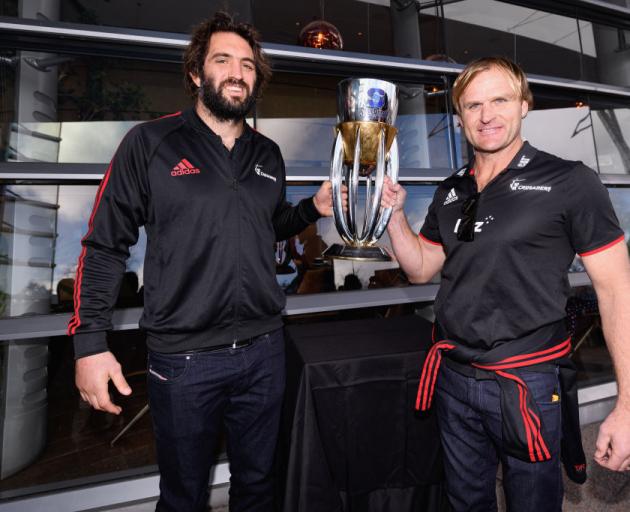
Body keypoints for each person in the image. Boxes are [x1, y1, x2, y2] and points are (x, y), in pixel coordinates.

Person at [68, 12, 336, 512]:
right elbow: (105, 245)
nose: (238, 72)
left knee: (259, 487)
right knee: (184, 497)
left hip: (264, 351)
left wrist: (309, 210)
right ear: (196, 72)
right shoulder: (149, 144)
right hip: (185, 361)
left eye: (248, 65)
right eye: (223, 60)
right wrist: (89, 344)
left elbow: (268, 221)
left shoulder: (268, 154)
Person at [381, 56, 630, 511]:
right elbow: (420, 268)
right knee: (465, 500)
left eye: (500, 100)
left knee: (533, 502)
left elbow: (618, 291)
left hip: (528, 380)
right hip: (454, 377)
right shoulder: (451, 190)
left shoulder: (570, 181)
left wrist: (628, 407)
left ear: (524, 104)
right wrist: (396, 214)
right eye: (473, 105)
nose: (486, 115)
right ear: (459, 118)